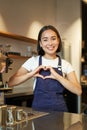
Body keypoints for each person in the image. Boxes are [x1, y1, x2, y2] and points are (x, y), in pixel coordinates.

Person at [8, 25, 82, 112]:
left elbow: (78, 91)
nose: (50, 43)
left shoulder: (65, 64)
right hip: (38, 112)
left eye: (53, 39)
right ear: (40, 43)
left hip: (60, 112)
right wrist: (30, 74)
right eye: (45, 40)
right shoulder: (33, 61)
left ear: (58, 41)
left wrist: (58, 77)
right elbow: (11, 82)